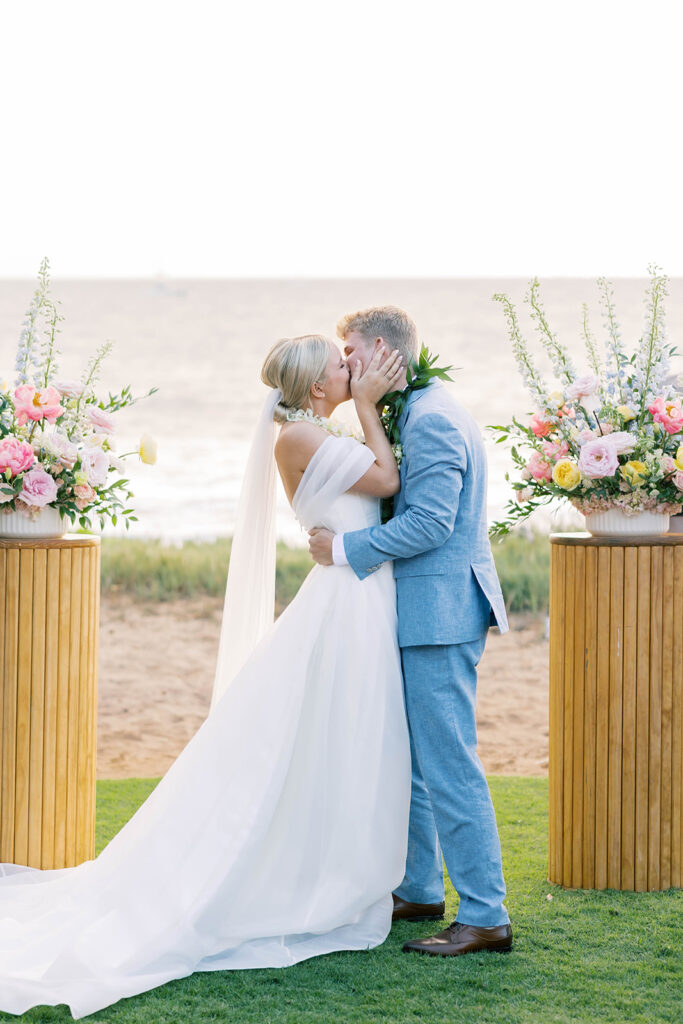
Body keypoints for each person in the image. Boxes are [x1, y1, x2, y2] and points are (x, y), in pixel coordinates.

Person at [0, 334, 412, 1020]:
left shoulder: (312, 431)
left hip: (356, 594)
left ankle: (346, 871)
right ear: (316, 387)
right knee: (331, 733)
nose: (351, 369)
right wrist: (370, 405)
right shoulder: (301, 437)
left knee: (345, 735)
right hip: (345, 603)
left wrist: (365, 406)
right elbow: (387, 482)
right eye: (340, 366)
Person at [309, 306, 513, 957]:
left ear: (378, 348)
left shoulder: (431, 419)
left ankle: (485, 915)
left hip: (441, 612)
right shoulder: (417, 408)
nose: (345, 363)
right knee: (419, 764)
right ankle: (419, 889)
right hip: (423, 610)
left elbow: (429, 523)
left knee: (449, 764)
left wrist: (342, 549)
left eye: (348, 350)